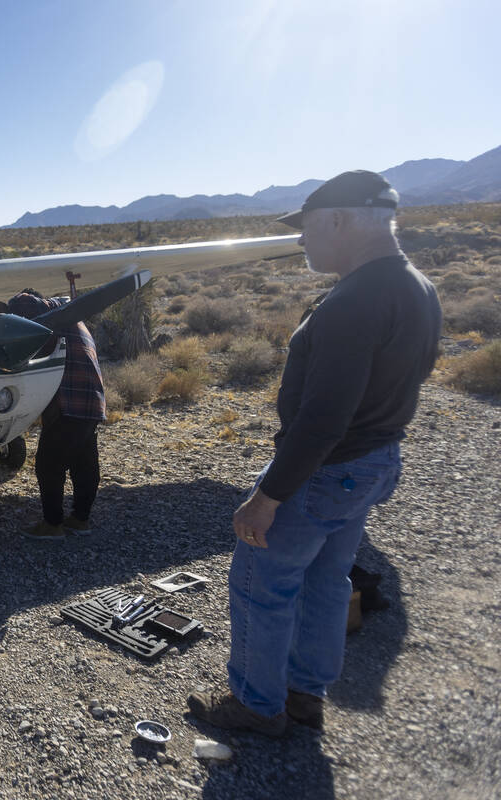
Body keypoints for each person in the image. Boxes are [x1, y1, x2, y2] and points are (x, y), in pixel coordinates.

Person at [186, 171, 442, 736]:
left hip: (327, 470)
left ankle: (256, 704)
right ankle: (305, 693)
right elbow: (416, 374)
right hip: (375, 461)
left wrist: (265, 498)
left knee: (261, 583)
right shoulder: (416, 286)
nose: (301, 241)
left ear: (340, 220)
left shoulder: (356, 300)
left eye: (306, 228)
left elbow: (323, 419)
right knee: (328, 581)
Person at [7, 290, 107, 540]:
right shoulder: (74, 317)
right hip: (92, 399)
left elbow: (23, 304)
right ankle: (80, 520)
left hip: (68, 400)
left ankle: (52, 525)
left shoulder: (37, 306)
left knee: (49, 465)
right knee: (84, 463)